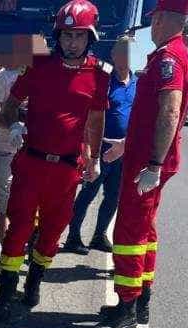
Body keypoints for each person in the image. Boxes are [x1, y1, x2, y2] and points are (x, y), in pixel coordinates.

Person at [0, 0, 110, 320]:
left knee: (53, 231)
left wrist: (95, 158)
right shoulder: (39, 66)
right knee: (19, 227)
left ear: (90, 38)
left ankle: (34, 279)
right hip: (31, 163)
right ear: (59, 36)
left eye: (79, 36)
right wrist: (13, 124)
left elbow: (96, 121)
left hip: (68, 169)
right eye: (67, 35)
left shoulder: (99, 75)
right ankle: (4, 293)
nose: (72, 42)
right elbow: (11, 103)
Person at [94, 0, 188, 328]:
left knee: (129, 233)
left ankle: (126, 306)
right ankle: (141, 302)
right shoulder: (182, 57)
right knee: (146, 232)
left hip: (148, 164)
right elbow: (154, 116)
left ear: (167, 20)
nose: (152, 26)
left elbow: (169, 113)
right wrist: (129, 145)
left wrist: (152, 162)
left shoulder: (169, 58)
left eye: (155, 20)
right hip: (148, 158)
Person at [62, 35, 137, 254]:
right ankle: (73, 237)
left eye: (129, 52)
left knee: (113, 196)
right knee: (86, 195)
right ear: (113, 55)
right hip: (101, 150)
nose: (125, 56)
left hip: (122, 152)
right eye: (121, 51)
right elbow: (89, 117)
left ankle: (99, 235)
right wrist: (88, 151)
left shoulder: (137, 83)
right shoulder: (102, 81)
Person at [0, 34, 42, 264]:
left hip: (34, 147)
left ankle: (24, 241)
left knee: (30, 197)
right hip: (5, 146)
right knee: (5, 197)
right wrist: (11, 125)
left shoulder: (42, 78)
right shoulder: (4, 76)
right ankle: (0, 241)